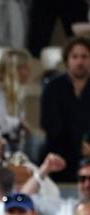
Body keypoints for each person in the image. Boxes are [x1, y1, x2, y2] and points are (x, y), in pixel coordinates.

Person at [41, 37, 90, 184]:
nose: (79, 62)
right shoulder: (53, 87)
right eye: (75, 57)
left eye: (84, 56)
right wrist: (77, 145)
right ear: (67, 59)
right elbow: (49, 123)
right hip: (60, 152)